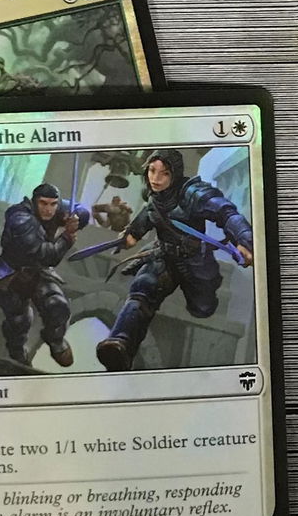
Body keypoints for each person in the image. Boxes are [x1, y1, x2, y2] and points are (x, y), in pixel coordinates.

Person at [95, 149, 253, 371]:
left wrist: (244, 240)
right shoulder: (154, 198)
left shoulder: (193, 194)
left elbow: (226, 214)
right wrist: (129, 237)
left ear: (174, 174)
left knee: (202, 308)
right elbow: (142, 223)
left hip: (195, 261)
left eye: (164, 173)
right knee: (143, 287)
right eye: (152, 171)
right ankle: (120, 344)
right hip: (164, 256)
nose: (156, 178)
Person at [0, 184, 90, 368]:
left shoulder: (55, 208)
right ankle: (17, 355)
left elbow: (82, 210)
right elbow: (46, 255)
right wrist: (67, 236)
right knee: (19, 320)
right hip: (12, 275)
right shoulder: (21, 219)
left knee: (57, 306)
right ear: (35, 202)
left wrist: (75, 217)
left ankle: (55, 341)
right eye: (43, 203)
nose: (48, 209)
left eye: (53, 204)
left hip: (38, 272)